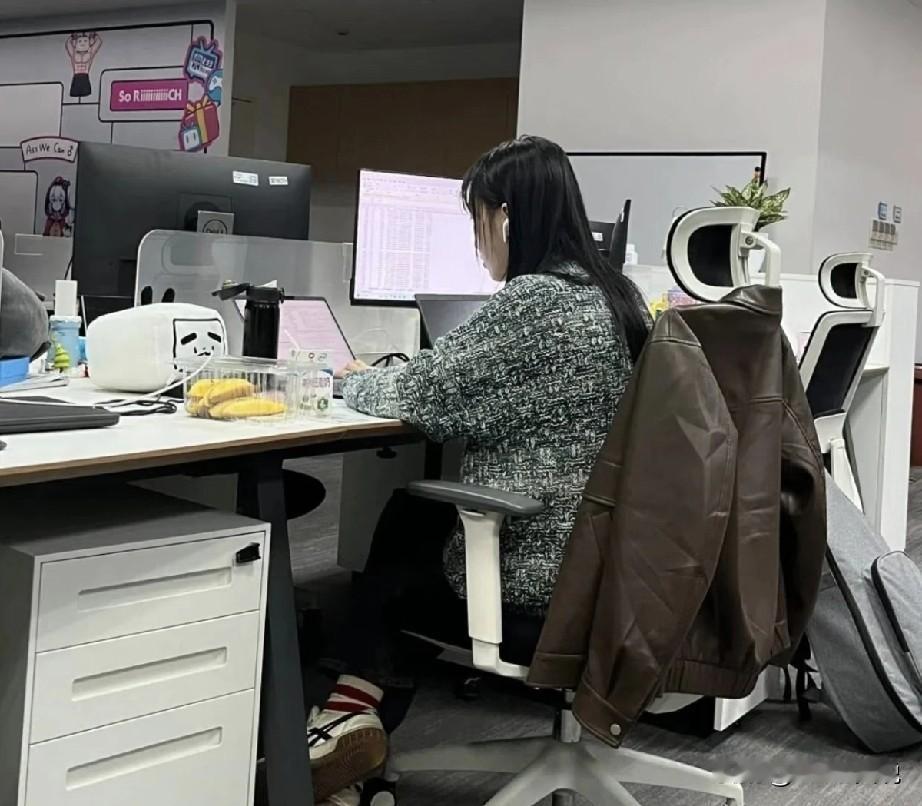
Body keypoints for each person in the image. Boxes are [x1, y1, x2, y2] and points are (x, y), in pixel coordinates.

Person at [308, 135, 650, 805]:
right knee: (417, 518)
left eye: (477, 219)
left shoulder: (537, 302)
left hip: (540, 572)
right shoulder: (614, 297)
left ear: (506, 218)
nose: (476, 239)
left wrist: (350, 379)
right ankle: (351, 722)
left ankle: (346, 723)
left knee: (407, 531)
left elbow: (423, 397)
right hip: (608, 561)